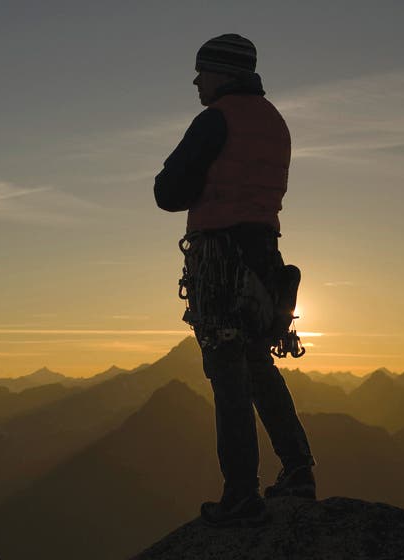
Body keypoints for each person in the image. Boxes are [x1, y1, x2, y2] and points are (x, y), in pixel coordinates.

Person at [154, 34, 316, 527]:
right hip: (264, 255)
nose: (197, 81)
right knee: (257, 363)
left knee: (226, 369)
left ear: (223, 73)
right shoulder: (275, 123)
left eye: (203, 71)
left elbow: (168, 191)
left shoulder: (215, 120)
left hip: (220, 259)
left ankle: (241, 493)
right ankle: (298, 470)